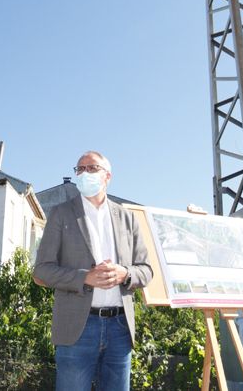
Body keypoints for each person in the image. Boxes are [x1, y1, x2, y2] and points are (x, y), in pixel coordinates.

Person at [33, 151, 153, 391]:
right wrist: (84, 277)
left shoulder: (128, 218)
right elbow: (41, 272)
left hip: (120, 328)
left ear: (107, 176)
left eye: (91, 168)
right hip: (78, 327)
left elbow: (147, 271)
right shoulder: (61, 214)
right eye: (80, 169)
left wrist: (125, 274)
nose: (84, 173)